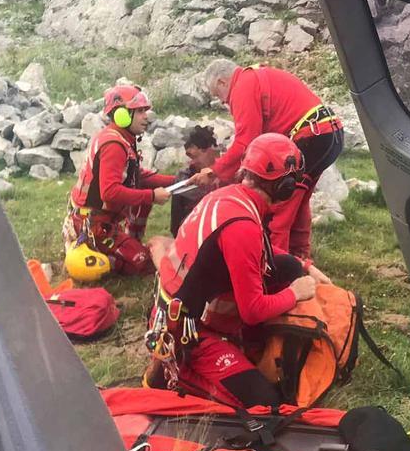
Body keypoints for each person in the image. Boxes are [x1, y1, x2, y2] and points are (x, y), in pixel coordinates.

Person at [146, 133, 323, 407]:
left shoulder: (229, 197)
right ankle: (178, 373)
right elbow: (252, 311)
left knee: (287, 266)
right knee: (267, 404)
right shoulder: (243, 227)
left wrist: (304, 266)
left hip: (174, 311)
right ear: (284, 185)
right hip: (191, 335)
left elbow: (261, 250)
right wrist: (295, 293)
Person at [192, 59, 344, 260]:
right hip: (328, 134)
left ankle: (275, 266)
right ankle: (300, 259)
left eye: (217, 94)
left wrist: (215, 171)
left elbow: (246, 142)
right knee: (299, 200)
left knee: (278, 204)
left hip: (311, 138)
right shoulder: (254, 77)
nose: (221, 101)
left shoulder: (241, 88)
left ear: (222, 82)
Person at [64, 85, 173, 276]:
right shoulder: (114, 145)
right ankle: (100, 253)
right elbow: (110, 192)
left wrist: (178, 179)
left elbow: (138, 176)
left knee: (142, 197)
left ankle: (126, 242)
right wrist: (152, 196)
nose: (146, 116)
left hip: (97, 219)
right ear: (121, 115)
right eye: (140, 111)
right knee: (143, 263)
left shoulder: (119, 138)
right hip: (93, 225)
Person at [169, 125, 219, 237]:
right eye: (190, 156)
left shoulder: (229, 175)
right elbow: (176, 224)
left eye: (196, 156)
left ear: (211, 151)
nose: (193, 161)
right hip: (190, 234)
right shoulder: (185, 176)